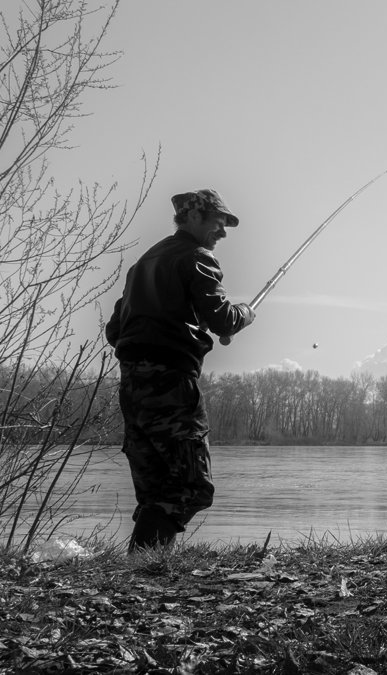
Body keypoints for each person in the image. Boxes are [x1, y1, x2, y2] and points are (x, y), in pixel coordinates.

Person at [105, 189, 256, 550]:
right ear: (191, 218)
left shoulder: (142, 264)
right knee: (192, 486)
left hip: (132, 387)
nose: (222, 233)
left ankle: (143, 570)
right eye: (217, 223)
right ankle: (143, 566)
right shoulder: (197, 257)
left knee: (155, 487)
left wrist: (180, 324)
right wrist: (246, 313)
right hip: (172, 383)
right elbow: (223, 319)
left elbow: (114, 331)